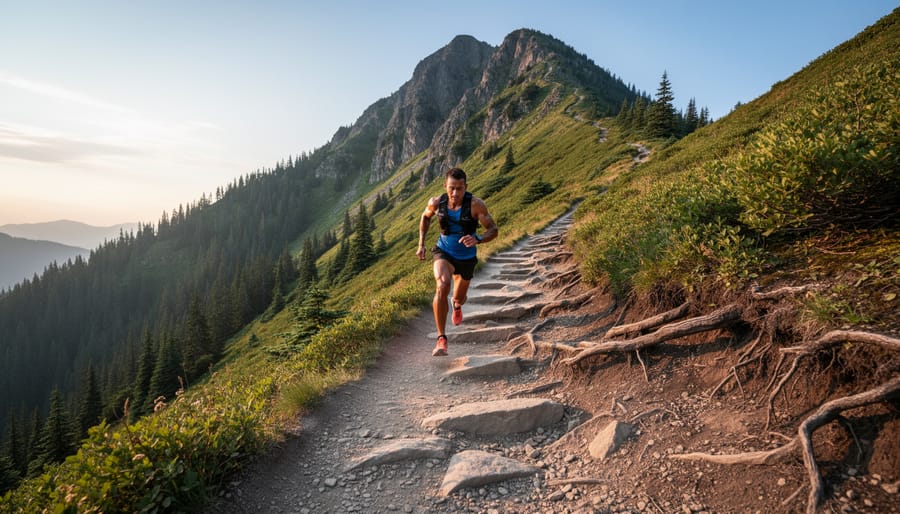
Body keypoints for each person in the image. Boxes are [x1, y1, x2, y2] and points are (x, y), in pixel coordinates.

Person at [417, 167, 498, 356]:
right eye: (451, 188)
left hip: (466, 257)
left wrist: (478, 238)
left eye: (459, 189)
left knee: (459, 297)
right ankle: (441, 339)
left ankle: (457, 304)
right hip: (443, 250)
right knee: (442, 284)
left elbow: (493, 229)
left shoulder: (476, 205)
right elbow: (425, 217)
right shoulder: (436, 202)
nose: (455, 193)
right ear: (445, 186)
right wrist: (421, 243)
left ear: (466, 187)